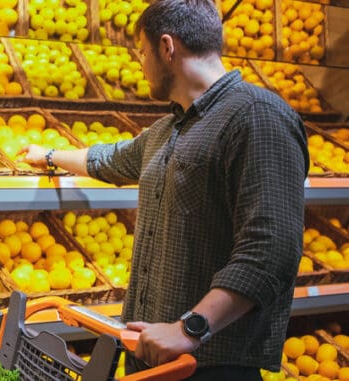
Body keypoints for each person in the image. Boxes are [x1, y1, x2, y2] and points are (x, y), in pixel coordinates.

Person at [18, 0, 309, 379]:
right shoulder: (169, 129)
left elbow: (272, 250)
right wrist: (50, 155)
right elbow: (111, 158)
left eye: (142, 52)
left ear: (167, 48)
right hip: (150, 354)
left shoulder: (257, 116)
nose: (141, 66)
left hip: (208, 364)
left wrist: (189, 328)